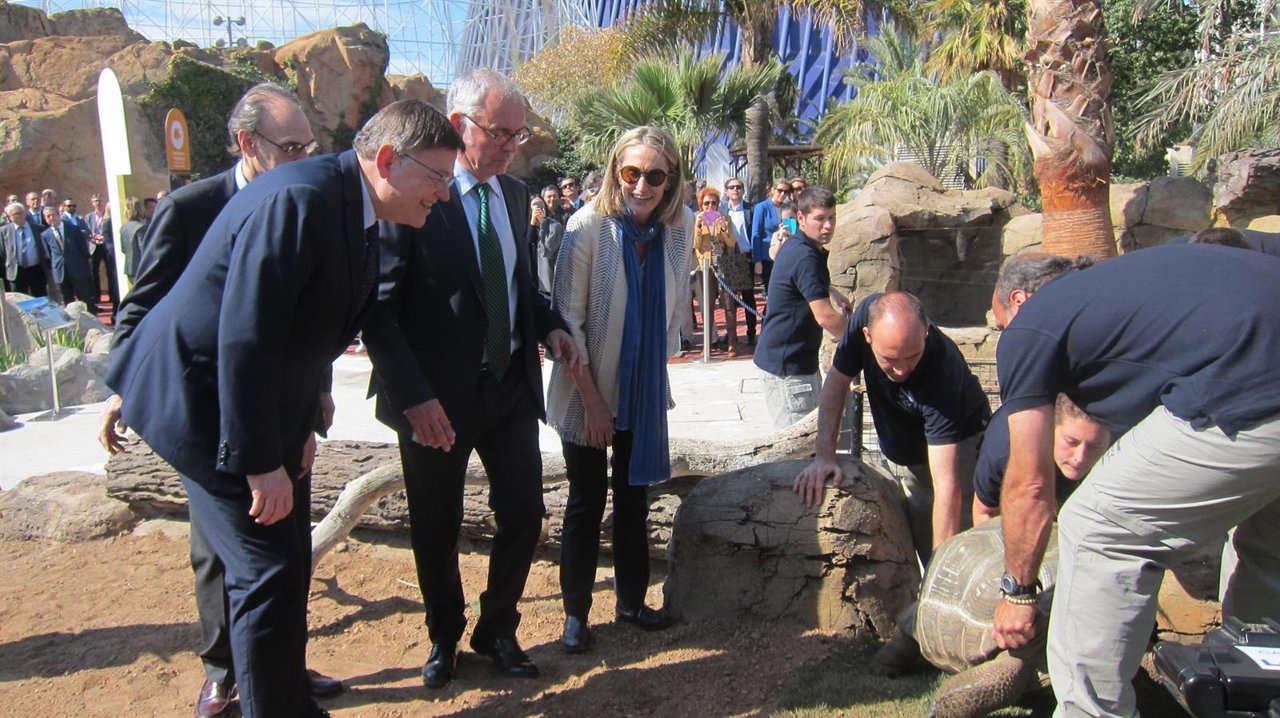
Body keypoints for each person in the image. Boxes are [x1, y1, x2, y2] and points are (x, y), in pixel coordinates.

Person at [103, 97, 461, 718]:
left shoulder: (358, 209)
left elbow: (305, 337)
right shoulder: (303, 200)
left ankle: (289, 697)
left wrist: (296, 432)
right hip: (201, 402)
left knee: (287, 561)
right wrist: (258, 460)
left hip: (252, 401)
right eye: (438, 178)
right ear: (385, 161)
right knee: (265, 572)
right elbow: (247, 336)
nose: (446, 195)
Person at [102, 82, 345, 718]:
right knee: (220, 552)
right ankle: (222, 672)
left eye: (309, 146)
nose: (303, 157)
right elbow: (146, 308)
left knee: (287, 541)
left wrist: (313, 400)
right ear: (247, 143)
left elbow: (295, 319)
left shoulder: (306, 203)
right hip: (204, 410)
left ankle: (281, 669)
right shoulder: (189, 208)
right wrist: (123, 388)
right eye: (290, 146)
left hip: (276, 409)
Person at [989, 247, 1280, 718]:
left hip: (1254, 380)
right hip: (1257, 368)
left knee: (1097, 527)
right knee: (1271, 547)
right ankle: (1254, 689)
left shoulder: (1030, 324)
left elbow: (1030, 488)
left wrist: (1018, 592)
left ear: (1018, 301)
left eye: (999, 325)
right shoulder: (1132, 293)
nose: (1003, 338)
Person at [362, 68, 580, 691]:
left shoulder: (513, 196)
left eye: (519, 132)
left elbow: (518, 289)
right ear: (460, 126)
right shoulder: (412, 194)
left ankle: (498, 628)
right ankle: (444, 635)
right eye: (501, 131)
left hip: (508, 386)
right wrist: (413, 397)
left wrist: (551, 327)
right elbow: (379, 309)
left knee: (523, 511)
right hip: (433, 401)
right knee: (436, 522)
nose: (514, 144)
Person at [546, 125, 693, 654]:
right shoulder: (586, 227)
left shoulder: (680, 228)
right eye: (632, 173)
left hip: (643, 390)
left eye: (655, 175)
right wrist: (592, 403)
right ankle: (575, 616)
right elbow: (568, 325)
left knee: (634, 500)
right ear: (616, 171)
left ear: (671, 179)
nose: (642, 185)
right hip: (585, 389)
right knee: (586, 502)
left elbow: (675, 315)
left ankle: (631, 602)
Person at [793, 291, 990, 565]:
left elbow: (948, 485)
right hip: (907, 452)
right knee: (920, 530)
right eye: (889, 359)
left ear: (926, 331)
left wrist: (939, 576)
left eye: (911, 356)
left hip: (961, 448)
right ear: (868, 335)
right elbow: (837, 379)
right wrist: (824, 455)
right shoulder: (865, 316)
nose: (901, 370)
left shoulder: (942, 369)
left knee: (959, 544)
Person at [753, 187, 848, 428]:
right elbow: (825, 317)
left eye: (832, 218)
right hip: (788, 371)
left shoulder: (799, 246)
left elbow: (803, 283)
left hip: (796, 363)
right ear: (801, 219)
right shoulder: (805, 256)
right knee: (799, 456)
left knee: (814, 449)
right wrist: (865, 341)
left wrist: (831, 291)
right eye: (820, 219)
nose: (827, 226)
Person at [972, 395, 1110, 525]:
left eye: (1095, 446)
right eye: (1071, 442)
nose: (1080, 458)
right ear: (1051, 428)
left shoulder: (1121, 449)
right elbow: (985, 513)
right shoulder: (1004, 452)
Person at [694, 187, 750, 356]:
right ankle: (708, 344)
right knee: (707, 305)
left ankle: (733, 342)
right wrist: (698, 226)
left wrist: (724, 228)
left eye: (714, 203)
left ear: (719, 204)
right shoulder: (698, 220)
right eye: (706, 203)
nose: (710, 207)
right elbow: (696, 245)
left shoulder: (726, 218)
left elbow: (732, 243)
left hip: (725, 264)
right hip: (706, 266)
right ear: (701, 205)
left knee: (729, 305)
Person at [722, 177, 757, 344]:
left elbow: (755, 235)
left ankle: (751, 333)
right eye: (731, 187)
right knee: (729, 299)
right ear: (726, 191)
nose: (735, 190)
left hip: (746, 257)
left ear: (743, 190)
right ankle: (731, 337)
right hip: (727, 259)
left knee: (748, 297)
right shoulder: (720, 210)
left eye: (738, 187)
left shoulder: (752, 209)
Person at [41, 205, 95, 310]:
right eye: (48, 216)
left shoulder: (73, 229)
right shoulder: (45, 235)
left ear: (58, 215)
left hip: (78, 270)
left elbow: (84, 249)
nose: (51, 218)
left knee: (85, 299)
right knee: (68, 301)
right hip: (61, 272)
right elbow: (49, 254)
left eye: (53, 215)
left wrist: (84, 268)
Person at [751, 180, 792, 296]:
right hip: (768, 256)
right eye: (780, 190)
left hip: (785, 255)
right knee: (772, 293)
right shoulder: (762, 207)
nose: (783, 194)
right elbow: (756, 234)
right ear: (772, 190)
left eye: (786, 191)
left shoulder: (788, 208)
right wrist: (757, 260)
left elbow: (791, 231)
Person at [1, 201, 48, 296]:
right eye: (16, 214)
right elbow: (2, 253)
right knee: (18, 301)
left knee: (40, 299)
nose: (20, 215)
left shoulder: (38, 229)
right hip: (16, 272)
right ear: (10, 217)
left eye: (22, 212)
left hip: (37, 270)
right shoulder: (3, 231)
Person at [532, 184, 565, 294]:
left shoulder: (563, 215)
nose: (552, 199)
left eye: (555, 196)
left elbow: (548, 249)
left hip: (553, 272)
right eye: (549, 197)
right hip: (534, 269)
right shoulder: (528, 220)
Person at [116, 196, 146, 283]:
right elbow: (144, 249)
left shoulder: (124, 227)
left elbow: (123, 249)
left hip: (130, 268)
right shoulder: (141, 228)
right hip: (141, 269)